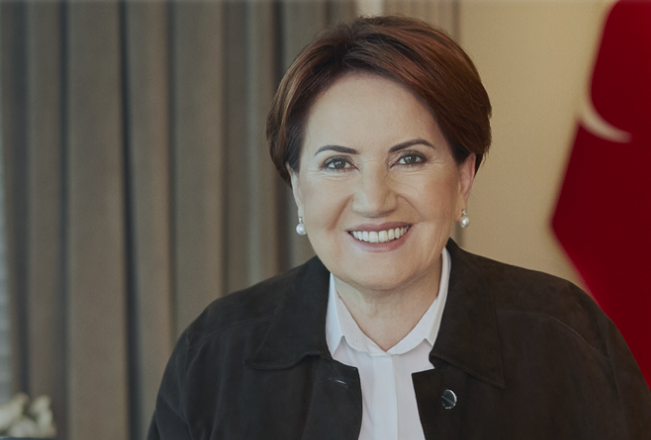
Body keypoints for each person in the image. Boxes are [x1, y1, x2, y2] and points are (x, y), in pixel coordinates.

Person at [148, 16, 651, 440]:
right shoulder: (214, 355)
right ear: (297, 186)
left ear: (463, 177)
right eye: (338, 163)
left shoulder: (567, 338)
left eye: (409, 158)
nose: (375, 201)